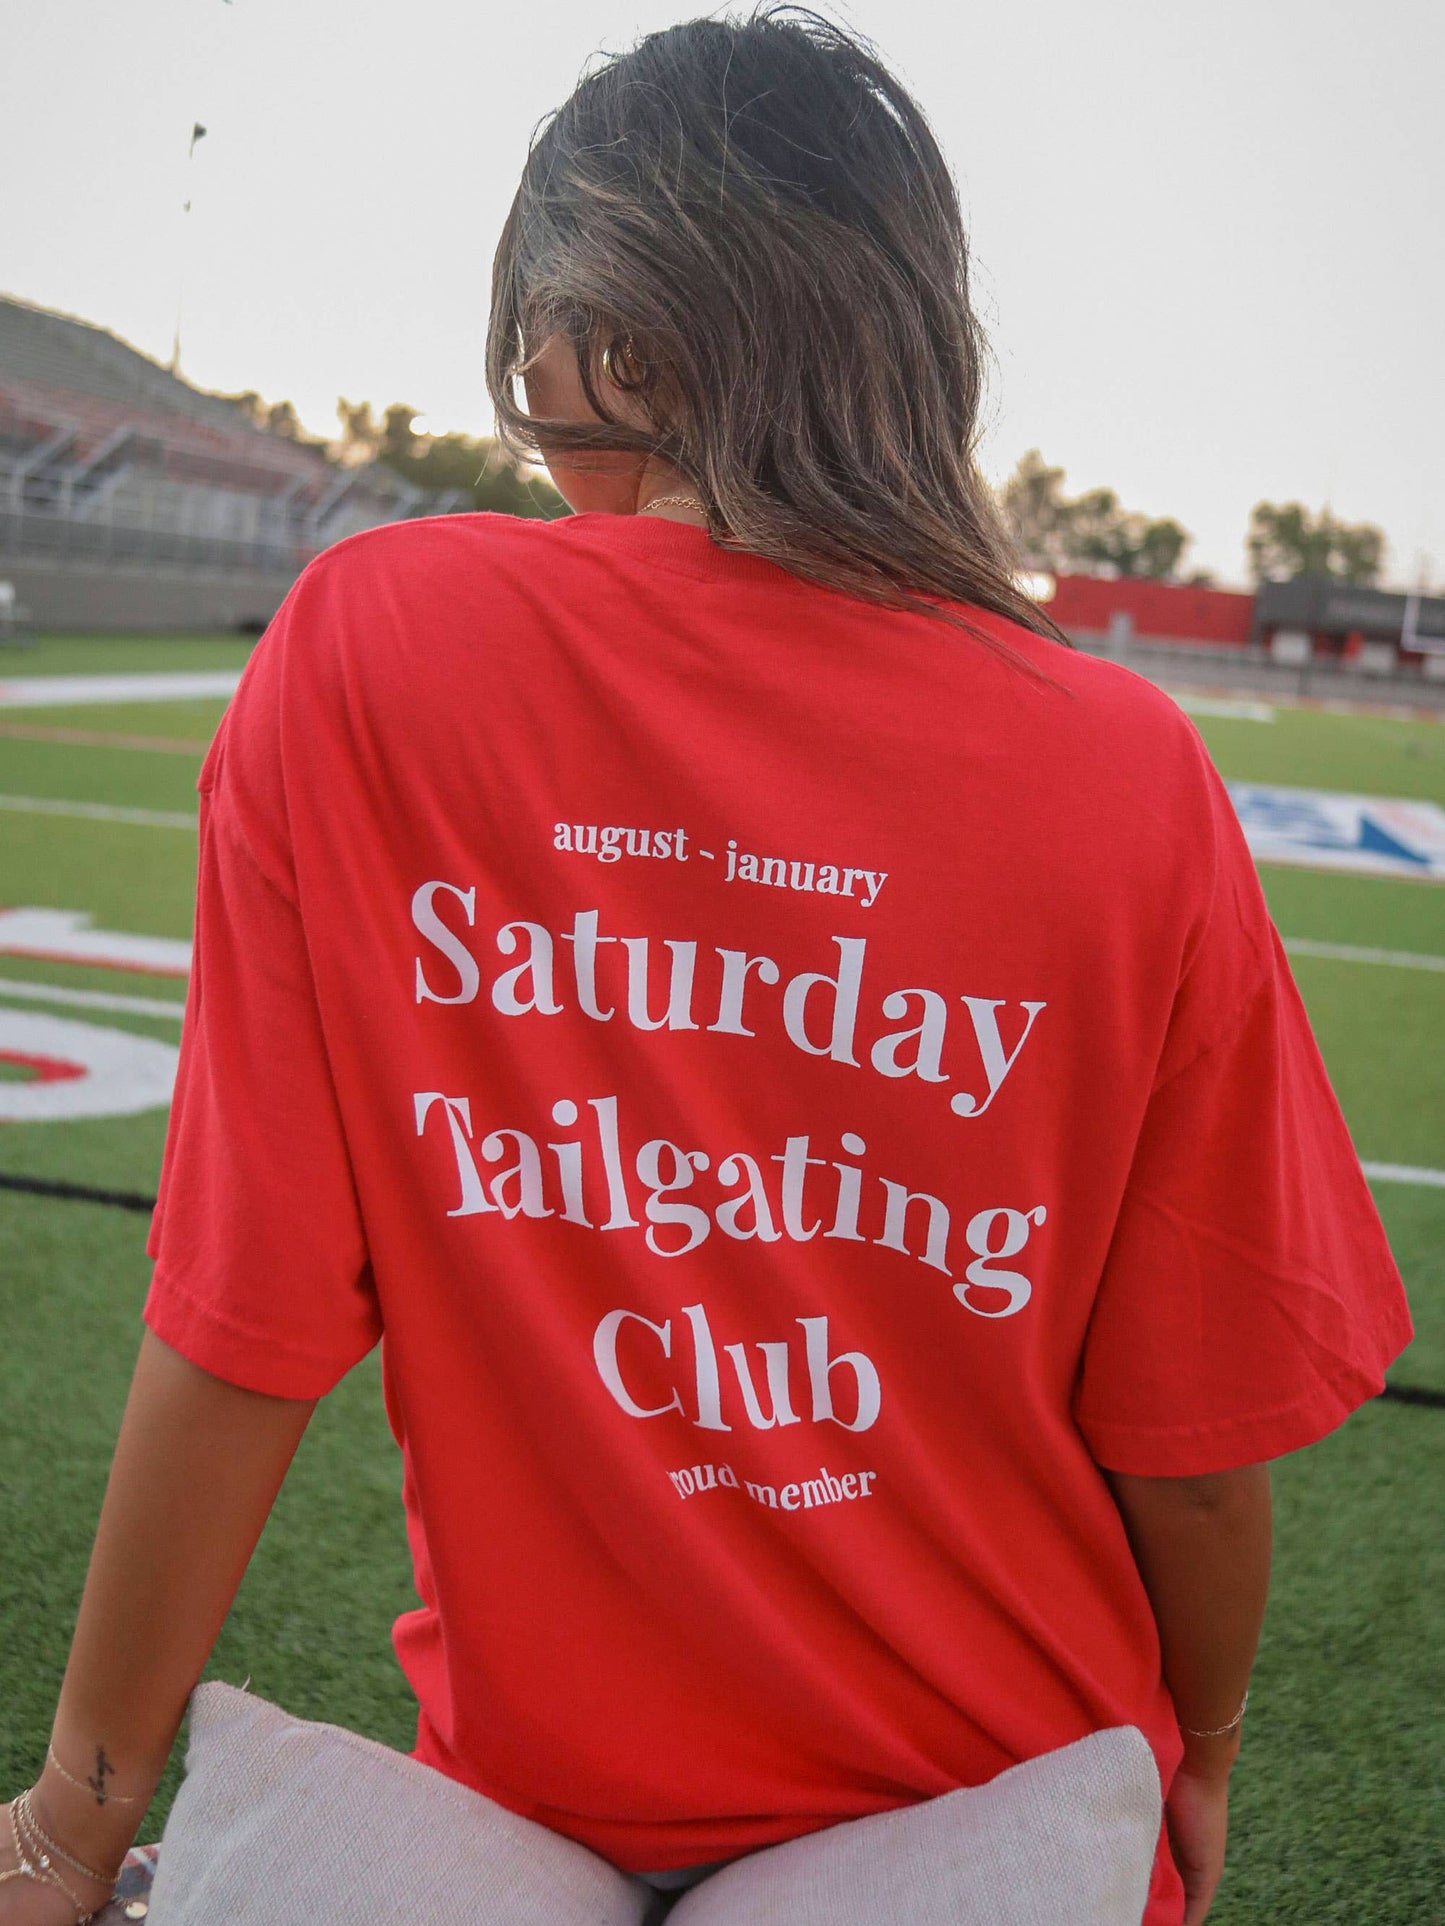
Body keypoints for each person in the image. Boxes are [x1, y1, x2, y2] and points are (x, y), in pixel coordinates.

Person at [0, 10, 1410, 1925]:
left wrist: (81, 1820)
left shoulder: (370, 646)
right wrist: (1206, 1753)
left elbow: (236, 1328)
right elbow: (1192, 1461)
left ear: (619, 333)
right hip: (988, 1795)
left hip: (522, 1815)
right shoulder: (1126, 766)